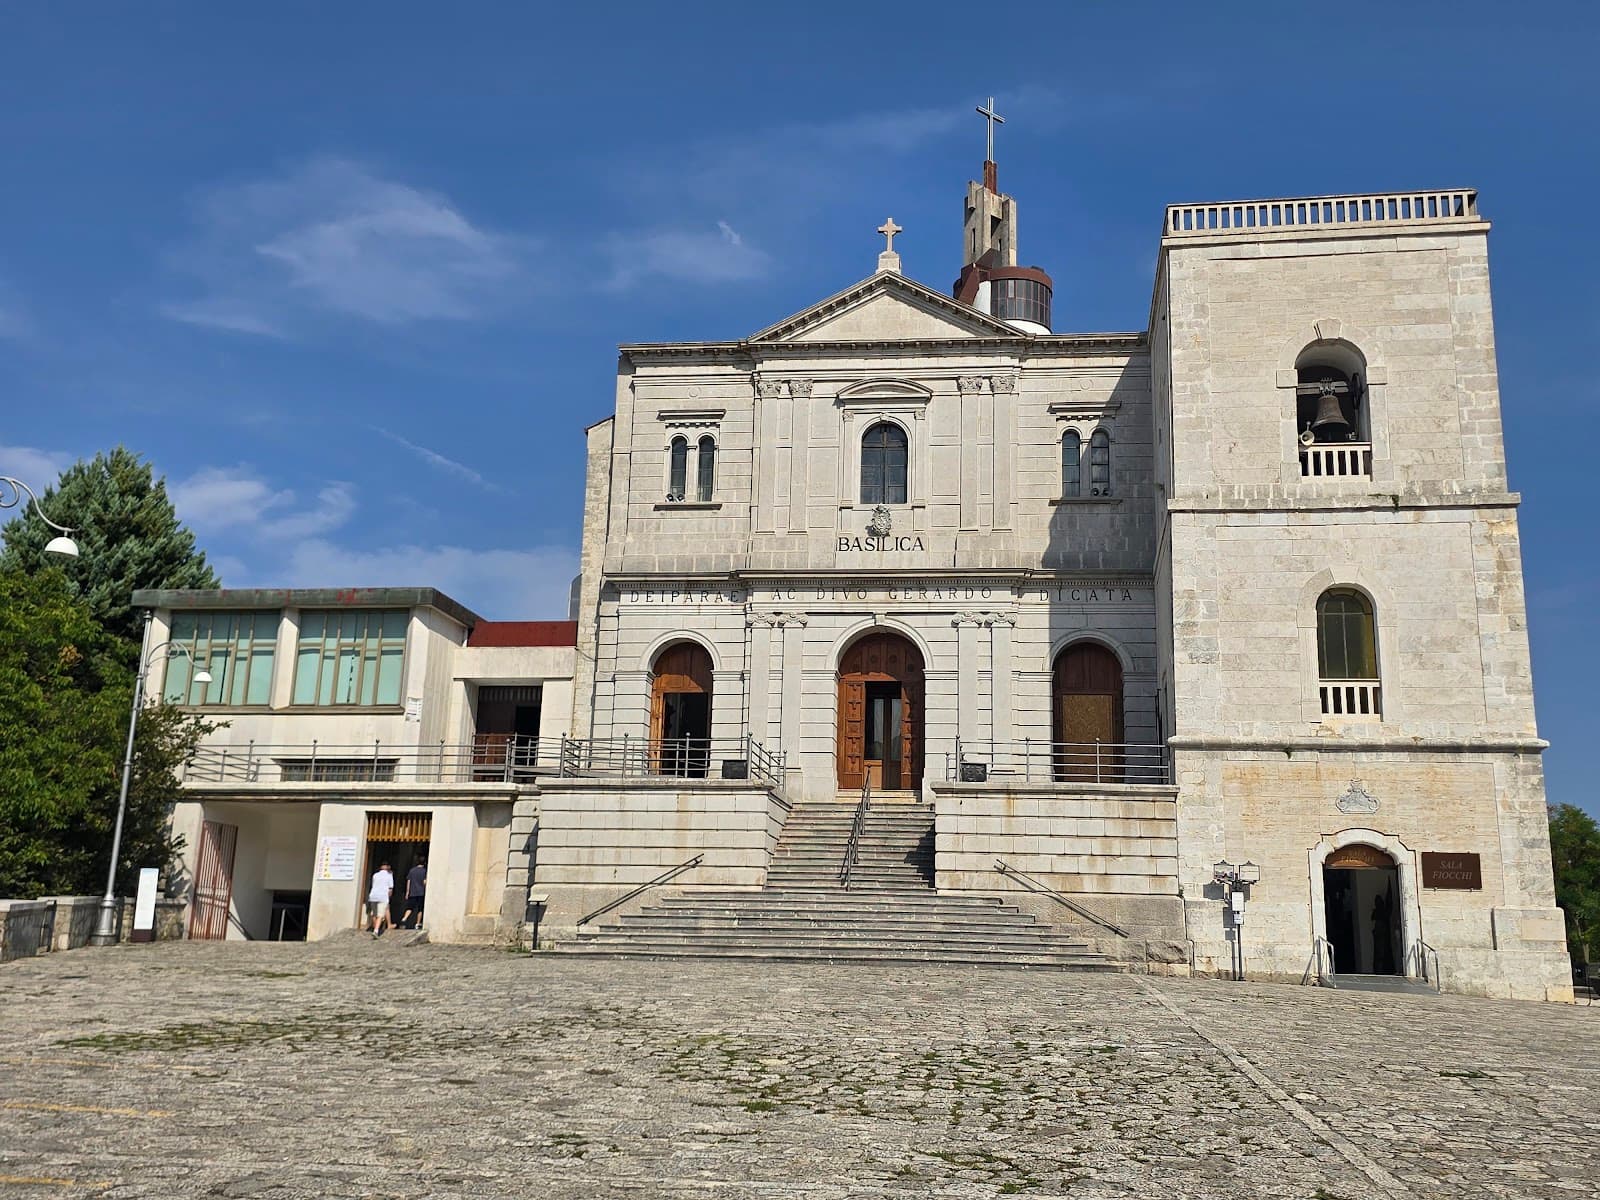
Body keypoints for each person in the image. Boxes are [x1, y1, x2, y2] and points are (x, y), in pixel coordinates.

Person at [367, 861, 394, 938]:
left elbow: (373, 885)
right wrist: (389, 897)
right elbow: (390, 888)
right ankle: (376, 931)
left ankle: (375, 927)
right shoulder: (389, 876)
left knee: (374, 914)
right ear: (387, 867)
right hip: (382, 896)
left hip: (373, 896)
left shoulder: (375, 875)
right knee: (380, 915)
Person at [400, 857, 427, 931]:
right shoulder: (424, 871)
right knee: (420, 909)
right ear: (424, 863)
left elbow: (408, 881)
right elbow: (424, 882)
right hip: (421, 893)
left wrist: (407, 892)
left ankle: (404, 918)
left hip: (412, 892)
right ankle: (417, 924)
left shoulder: (412, 870)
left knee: (410, 907)